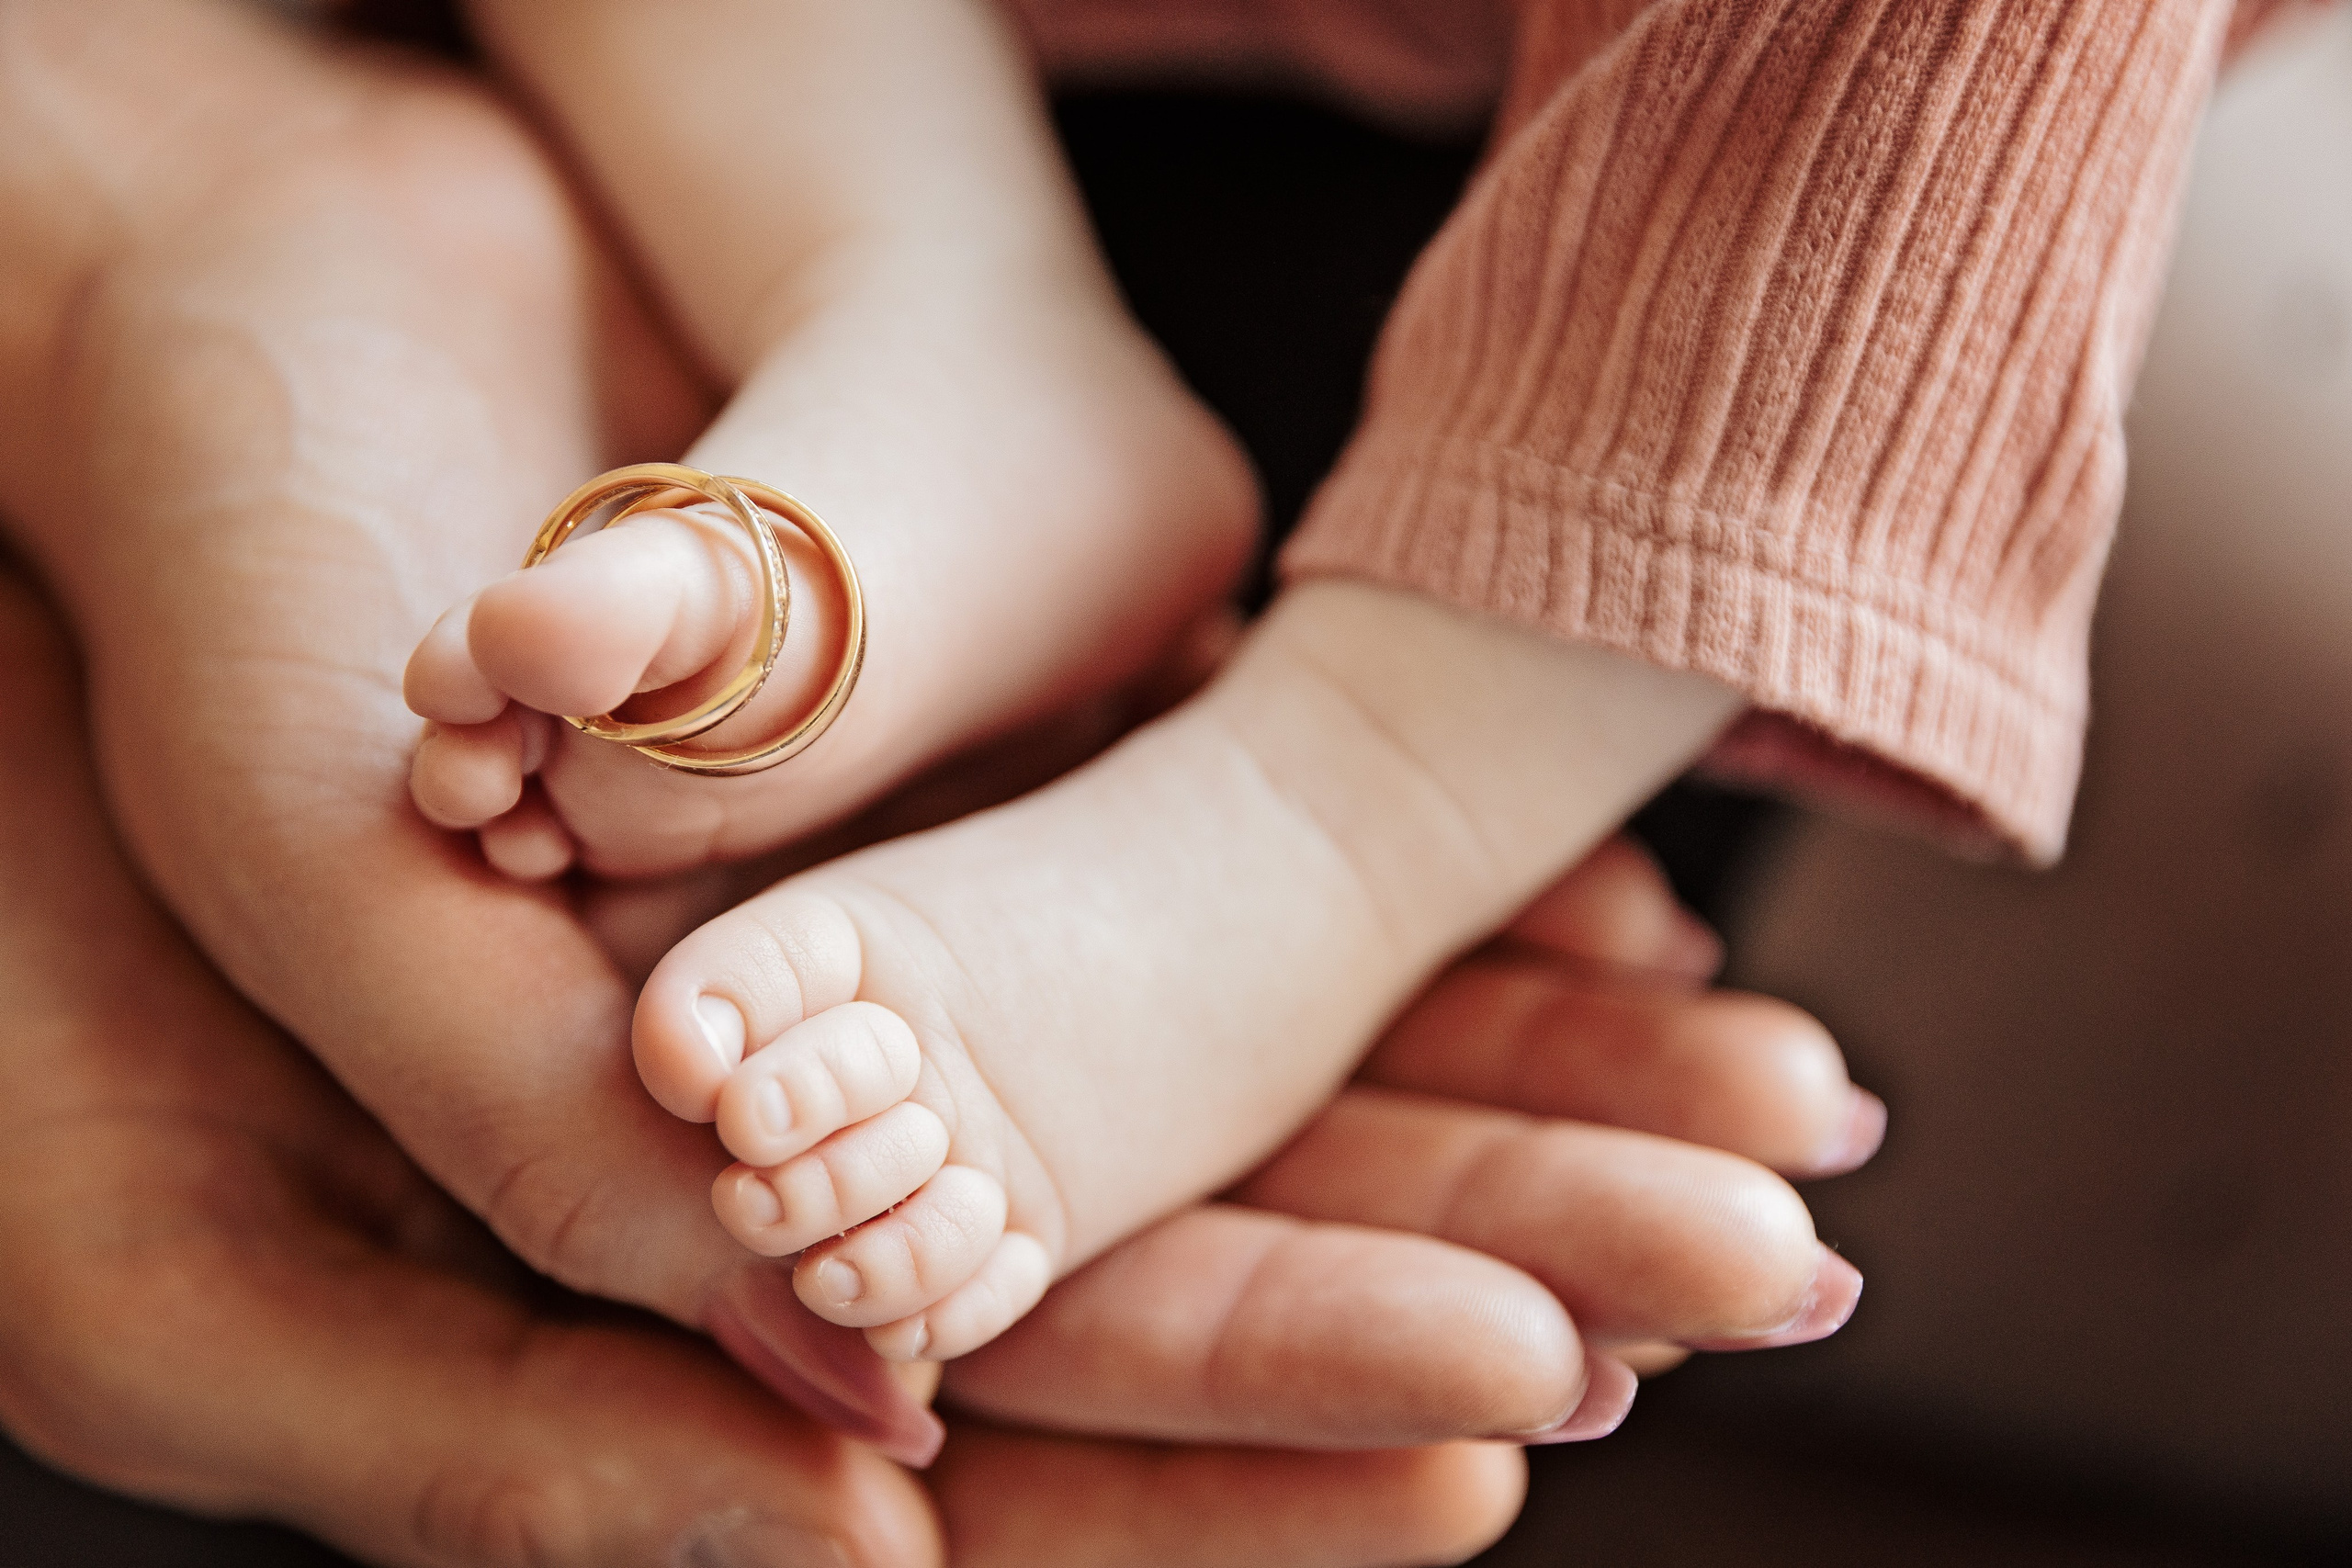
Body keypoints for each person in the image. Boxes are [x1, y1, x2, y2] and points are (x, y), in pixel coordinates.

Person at [0, 6, 1872, 1558]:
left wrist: (1365, 794)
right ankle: (950, 312)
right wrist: (128, 227)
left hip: (1518, 283)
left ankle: (1337, 805)